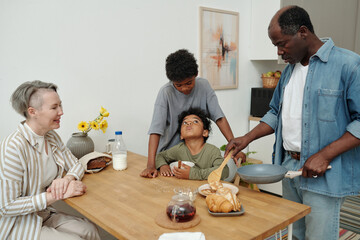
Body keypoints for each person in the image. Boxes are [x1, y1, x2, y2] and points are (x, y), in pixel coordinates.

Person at [225, 5, 360, 240]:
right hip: (288, 167)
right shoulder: (289, 70)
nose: (279, 52)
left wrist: (324, 155)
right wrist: (246, 139)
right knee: (293, 233)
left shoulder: (348, 65)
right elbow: (275, 112)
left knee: (319, 236)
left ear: (303, 32)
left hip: (323, 172)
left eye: (282, 43)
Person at [0, 81, 100, 240]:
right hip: (18, 224)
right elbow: (6, 207)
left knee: (90, 230)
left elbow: (76, 164)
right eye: (54, 108)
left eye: (60, 106)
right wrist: (57, 195)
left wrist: (67, 179)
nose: (61, 112)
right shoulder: (13, 147)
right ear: (32, 111)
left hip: (43, 214)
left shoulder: (51, 136)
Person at [141, 49, 234, 178]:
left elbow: (219, 117)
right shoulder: (165, 93)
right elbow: (155, 131)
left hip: (192, 156)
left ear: (196, 74)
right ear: (171, 81)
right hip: (168, 157)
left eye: (189, 83)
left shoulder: (204, 86)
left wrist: (233, 145)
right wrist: (151, 165)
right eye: (178, 85)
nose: (184, 88)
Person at [155, 108, 229, 180]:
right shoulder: (179, 149)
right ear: (181, 135)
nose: (189, 123)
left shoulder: (212, 151)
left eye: (195, 121)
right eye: (185, 123)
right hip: (186, 190)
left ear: (205, 132)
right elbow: (160, 156)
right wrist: (163, 165)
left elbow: (224, 170)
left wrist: (193, 174)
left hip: (206, 190)